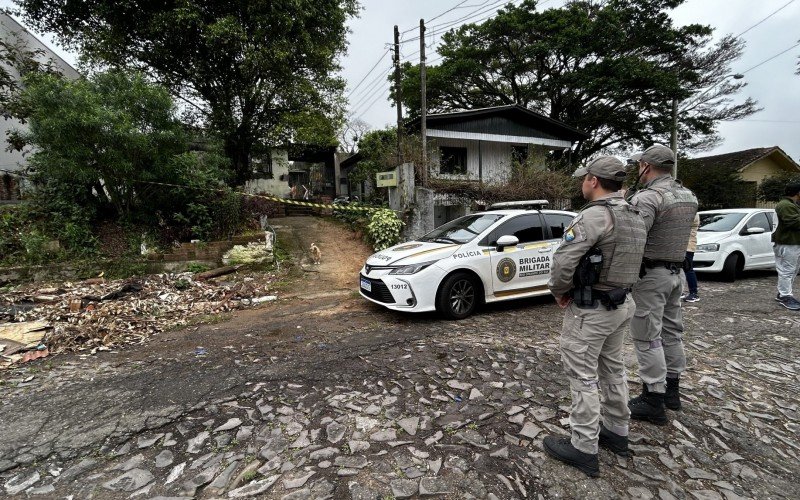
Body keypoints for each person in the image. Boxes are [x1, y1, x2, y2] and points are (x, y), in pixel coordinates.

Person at [542, 156, 647, 477]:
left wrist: (559, 291)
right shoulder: (634, 214)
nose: (581, 184)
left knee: (583, 375)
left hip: (593, 309)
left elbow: (564, 263)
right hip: (622, 303)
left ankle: (583, 447)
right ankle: (616, 431)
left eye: (583, 178)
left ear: (593, 181)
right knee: (612, 368)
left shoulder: (595, 217)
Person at [626, 144, 698, 425]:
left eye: (639, 165)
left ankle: (652, 397)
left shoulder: (649, 198)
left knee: (647, 335)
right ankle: (672, 391)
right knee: (671, 332)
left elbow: (633, 237)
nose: (637, 170)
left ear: (647, 165)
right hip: (675, 273)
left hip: (651, 274)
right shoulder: (688, 195)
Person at [772, 182, 800, 310]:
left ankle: (783, 292)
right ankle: (785, 296)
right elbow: (793, 222)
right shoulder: (785, 205)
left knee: (792, 270)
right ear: (798, 192)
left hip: (793, 243)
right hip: (787, 243)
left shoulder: (791, 205)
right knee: (786, 270)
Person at [682, 214, 700, 302]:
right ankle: (679, 291)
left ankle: (694, 293)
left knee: (688, 268)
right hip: (682, 245)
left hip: (688, 245)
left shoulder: (692, 213)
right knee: (678, 269)